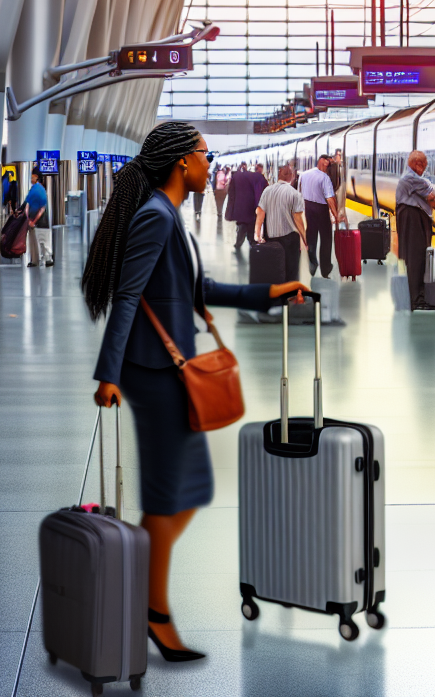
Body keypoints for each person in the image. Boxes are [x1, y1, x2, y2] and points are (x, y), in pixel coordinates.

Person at [86, 122, 311, 663]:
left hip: (169, 367)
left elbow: (199, 291)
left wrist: (270, 293)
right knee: (171, 497)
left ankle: (142, 596)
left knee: (188, 492)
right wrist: (108, 374)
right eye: (206, 157)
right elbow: (127, 296)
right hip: (154, 371)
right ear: (182, 163)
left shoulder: (170, 218)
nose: (211, 165)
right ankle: (151, 613)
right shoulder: (155, 218)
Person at [395, 150, 435, 308]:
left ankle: (415, 296)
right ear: (417, 164)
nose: (425, 169)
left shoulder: (409, 177)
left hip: (412, 218)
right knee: (417, 259)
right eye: (424, 166)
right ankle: (416, 299)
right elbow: (431, 197)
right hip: (413, 220)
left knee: (415, 258)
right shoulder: (412, 178)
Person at [255, 164, 305, 279]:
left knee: (275, 269)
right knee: (291, 271)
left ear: (279, 175)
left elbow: (260, 212)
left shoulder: (267, 191)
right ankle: (290, 294)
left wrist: (257, 234)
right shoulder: (295, 194)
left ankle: (277, 293)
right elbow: (298, 219)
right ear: (292, 177)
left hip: (271, 238)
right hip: (290, 239)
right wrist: (304, 238)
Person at [298, 155, 339, 278]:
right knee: (326, 239)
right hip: (321, 209)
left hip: (307, 207)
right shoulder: (324, 178)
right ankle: (325, 269)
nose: (330, 166)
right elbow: (330, 199)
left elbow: (299, 192)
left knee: (311, 238)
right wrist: (336, 216)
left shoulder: (304, 174)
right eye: (329, 163)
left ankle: (312, 265)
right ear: (323, 161)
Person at [226, 163, 267, 251]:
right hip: (252, 208)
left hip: (240, 208)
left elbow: (231, 192)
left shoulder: (237, 177)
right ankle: (252, 243)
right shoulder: (259, 178)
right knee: (251, 226)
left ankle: (239, 243)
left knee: (242, 226)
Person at [25, 170, 54, 268]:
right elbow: (27, 204)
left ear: (37, 177)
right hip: (34, 222)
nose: (31, 179)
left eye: (32, 177)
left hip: (40, 222)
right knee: (37, 242)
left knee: (43, 241)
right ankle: (36, 260)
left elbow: (42, 208)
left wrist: (33, 221)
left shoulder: (39, 190)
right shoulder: (36, 189)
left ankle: (47, 259)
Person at [212, 164, 231, 235]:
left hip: (220, 190)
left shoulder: (221, 174)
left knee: (220, 202)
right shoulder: (219, 174)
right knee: (219, 202)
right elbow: (214, 182)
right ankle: (219, 211)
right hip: (220, 190)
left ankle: (219, 211)